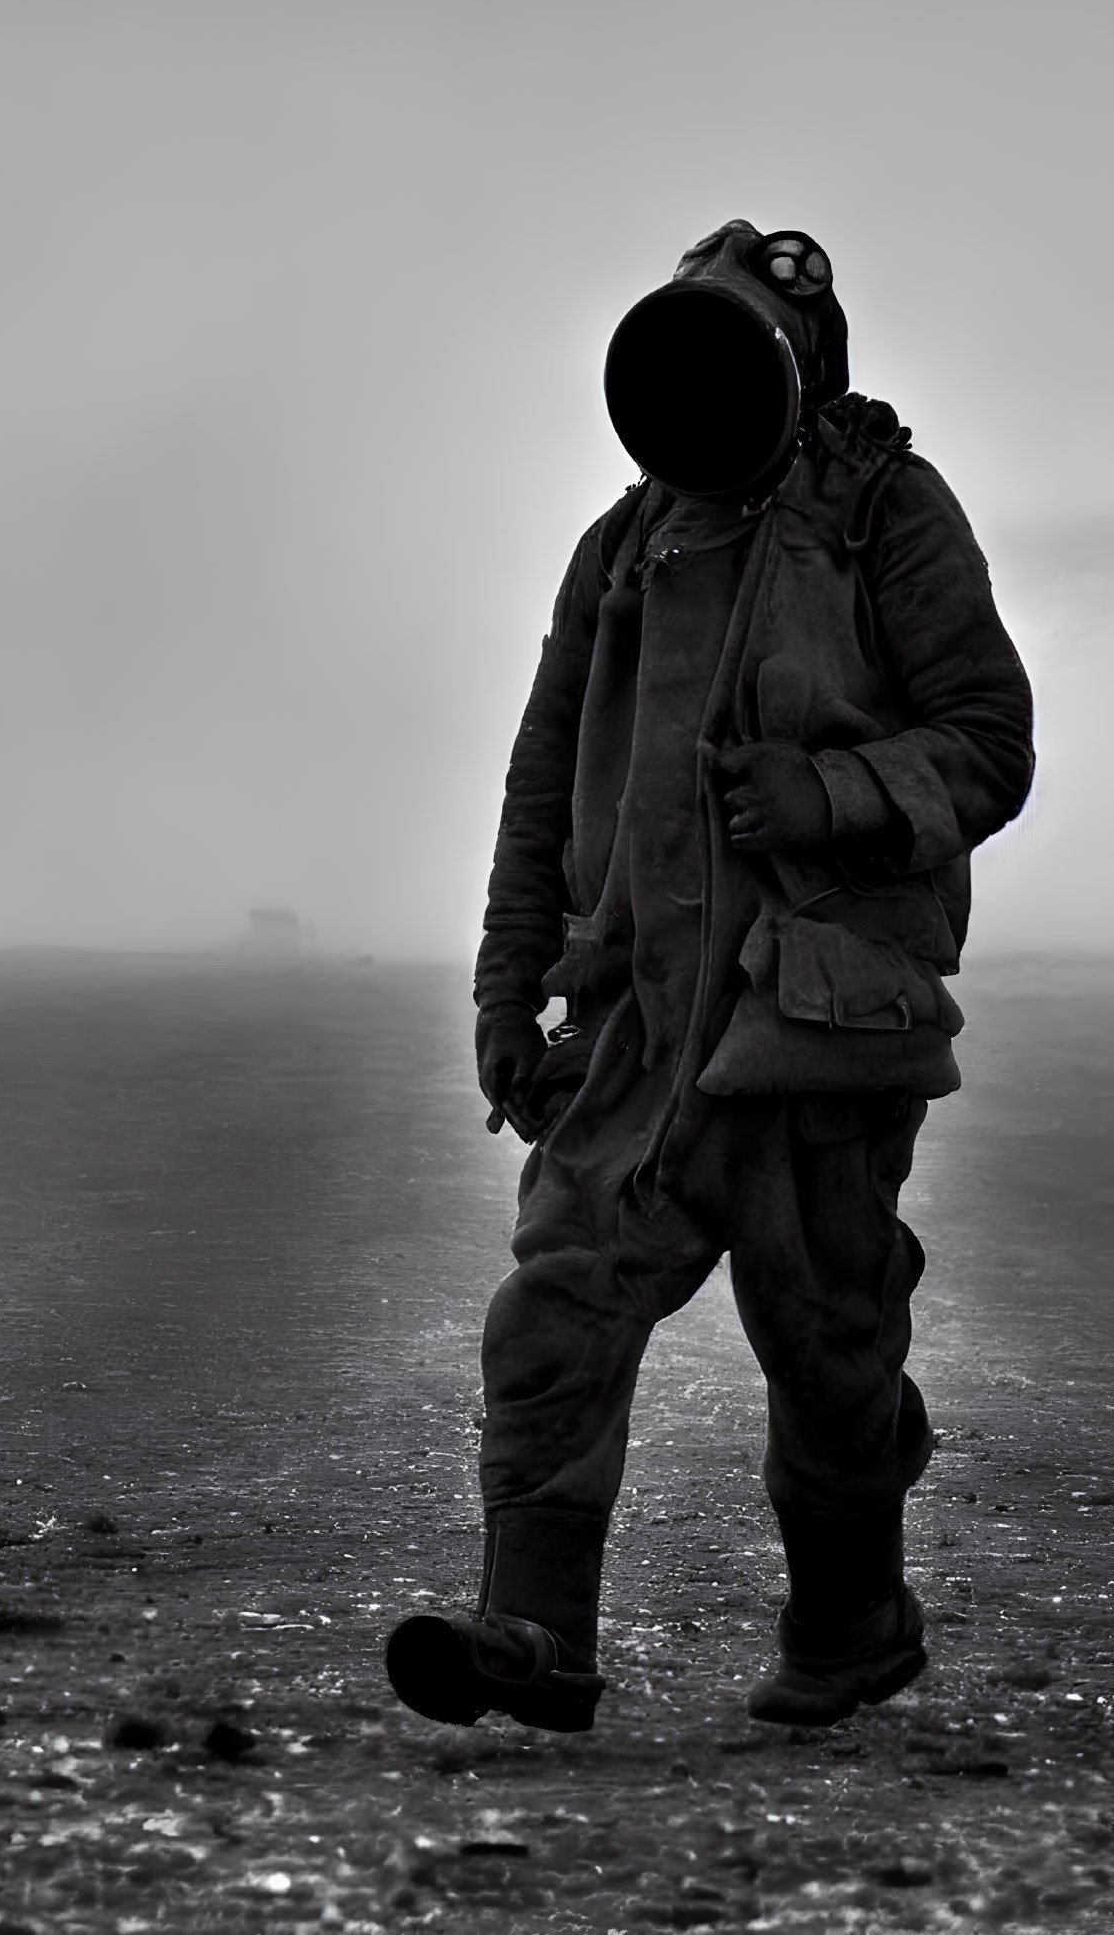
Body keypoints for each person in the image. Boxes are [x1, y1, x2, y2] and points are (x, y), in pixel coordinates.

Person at [385, 222, 1033, 1732]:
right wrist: (508, 993)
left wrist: (833, 796)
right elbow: (541, 790)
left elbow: (990, 740)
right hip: (632, 1033)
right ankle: (529, 1633)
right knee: (553, 1312)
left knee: (826, 1349)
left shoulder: (886, 513)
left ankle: (849, 1627)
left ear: (801, 372)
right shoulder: (622, 550)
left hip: (815, 1025)